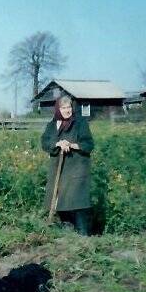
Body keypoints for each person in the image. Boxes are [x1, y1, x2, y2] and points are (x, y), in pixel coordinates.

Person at [41, 96, 94, 235]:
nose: (67, 110)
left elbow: (88, 144)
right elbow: (45, 143)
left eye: (69, 107)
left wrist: (71, 144)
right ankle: (68, 233)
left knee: (77, 200)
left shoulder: (80, 123)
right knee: (60, 199)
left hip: (76, 166)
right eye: (63, 108)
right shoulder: (52, 125)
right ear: (58, 109)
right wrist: (58, 143)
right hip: (58, 167)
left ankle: (84, 235)